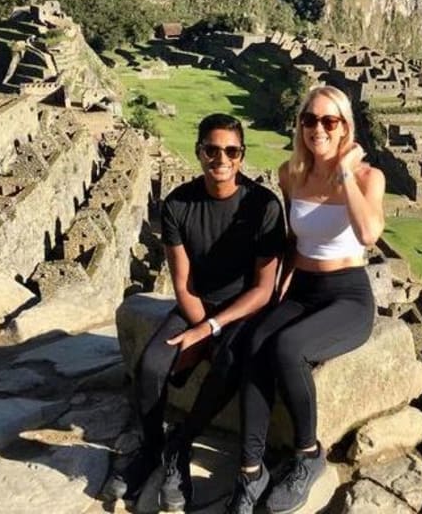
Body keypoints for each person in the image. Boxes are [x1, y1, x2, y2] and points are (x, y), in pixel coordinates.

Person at [101, 113, 286, 512]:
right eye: (212, 149)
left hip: (241, 311)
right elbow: (182, 282)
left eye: (231, 151)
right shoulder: (177, 205)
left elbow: (263, 290)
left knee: (228, 364)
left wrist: (210, 332)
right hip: (195, 304)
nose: (221, 158)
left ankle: (180, 443)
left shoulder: (263, 206)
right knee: (151, 365)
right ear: (199, 151)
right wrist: (202, 324)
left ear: (241, 156)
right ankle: (153, 447)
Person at [225, 85, 385, 514]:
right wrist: (281, 281)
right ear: (300, 125)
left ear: (345, 126)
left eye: (329, 121)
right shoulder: (290, 173)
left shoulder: (369, 178)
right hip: (302, 289)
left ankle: (307, 455)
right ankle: (249, 470)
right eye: (309, 119)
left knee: (287, 347)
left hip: (347, 296)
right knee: (254, 346)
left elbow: (369, 234)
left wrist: (346, 173)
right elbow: (297, 236)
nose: (318, 128)